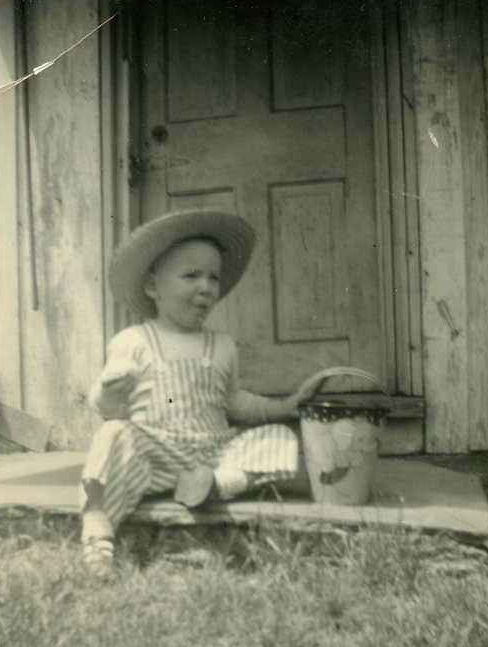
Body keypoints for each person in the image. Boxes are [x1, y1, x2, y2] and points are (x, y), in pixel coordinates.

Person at [80, 208, 318, 577]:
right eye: (191, 276)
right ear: (153, 287)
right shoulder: (133, 341)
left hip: (213, 454)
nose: (206, 287)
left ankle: (214, 485)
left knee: (278, 438)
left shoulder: (222, 345)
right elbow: (106, 407)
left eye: (213, 277)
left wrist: (284, 407)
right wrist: (111, 391)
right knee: (113, 436)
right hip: (156, 457)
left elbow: (233, 402)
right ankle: (98, 532)